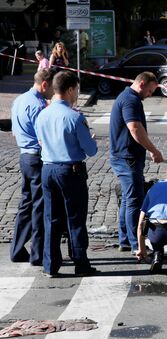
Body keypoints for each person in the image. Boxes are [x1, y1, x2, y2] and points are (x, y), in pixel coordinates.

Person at [35, 71, 98, 277]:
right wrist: (90, 138)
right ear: (70, 89)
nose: (77, 94)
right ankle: (80, 263)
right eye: (77, 90)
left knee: (51, 217)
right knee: (75, 217)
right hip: (70, 170)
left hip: (47, 168)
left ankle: (50, 265)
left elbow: (40, 142)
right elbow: (91, 150)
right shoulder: (75, 117)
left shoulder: (42, 114)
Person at [109, 72, 164, 255]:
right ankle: (135, 244)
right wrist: (153, 150)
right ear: (141, 84)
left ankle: (125, 240)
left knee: (127, 198)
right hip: (127, 158)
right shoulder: (130, 100)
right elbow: (135, 128)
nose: (150, 95)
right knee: (134, 200)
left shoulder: (129, 98)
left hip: (127, 157)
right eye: (149, 91)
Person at [9, 68, 55, 267]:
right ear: (44, 84)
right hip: (37, 158)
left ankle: (17, 249)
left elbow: (13, 132)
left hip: (24, 156)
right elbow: (43, 138)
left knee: (26, 204)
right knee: (39, 206)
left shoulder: (19, 100)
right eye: (52, 87)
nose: (54, 92)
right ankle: (37, 254)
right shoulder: (38, 106)